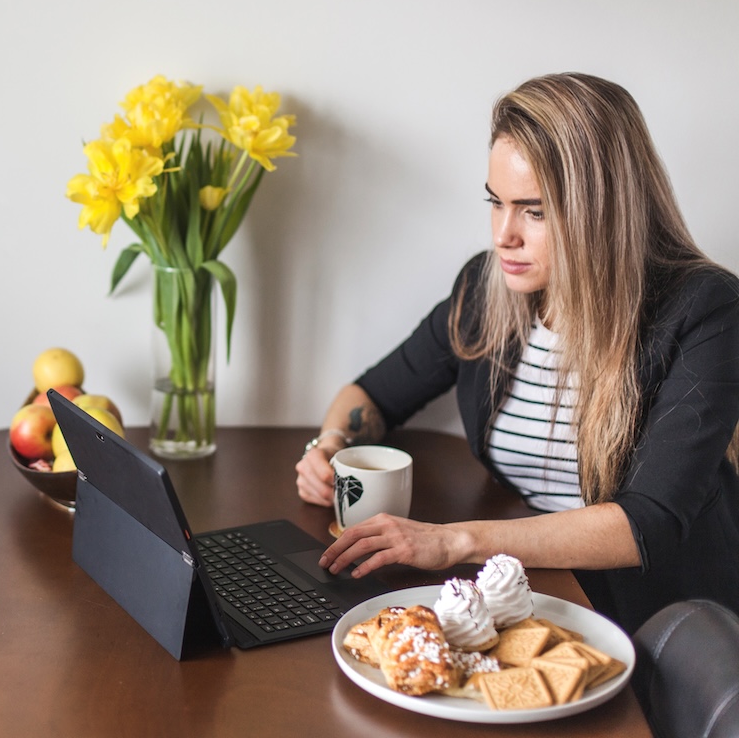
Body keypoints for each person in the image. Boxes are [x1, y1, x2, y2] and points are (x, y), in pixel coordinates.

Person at [297, 72, 739, 634]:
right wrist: (332, 448)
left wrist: (456, 540)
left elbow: (645, 524)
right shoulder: (487, 292)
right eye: (496, 202)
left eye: (535, 211)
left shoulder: (705, 308)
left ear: (602, 210)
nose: (504, 235)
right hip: (535, 595)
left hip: (665, 621)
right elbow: (373, 395)